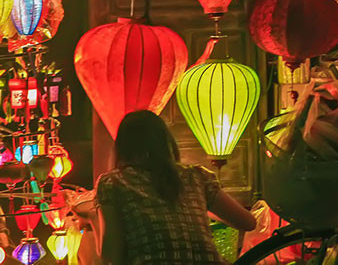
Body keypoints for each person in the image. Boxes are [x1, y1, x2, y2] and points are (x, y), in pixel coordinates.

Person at [94, 109, 256, 265]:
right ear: (166, 142)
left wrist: (89, 219)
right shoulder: (196, 176)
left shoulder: (113, 183)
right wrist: (196, 208)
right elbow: (248, 222)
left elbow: (111, 258)